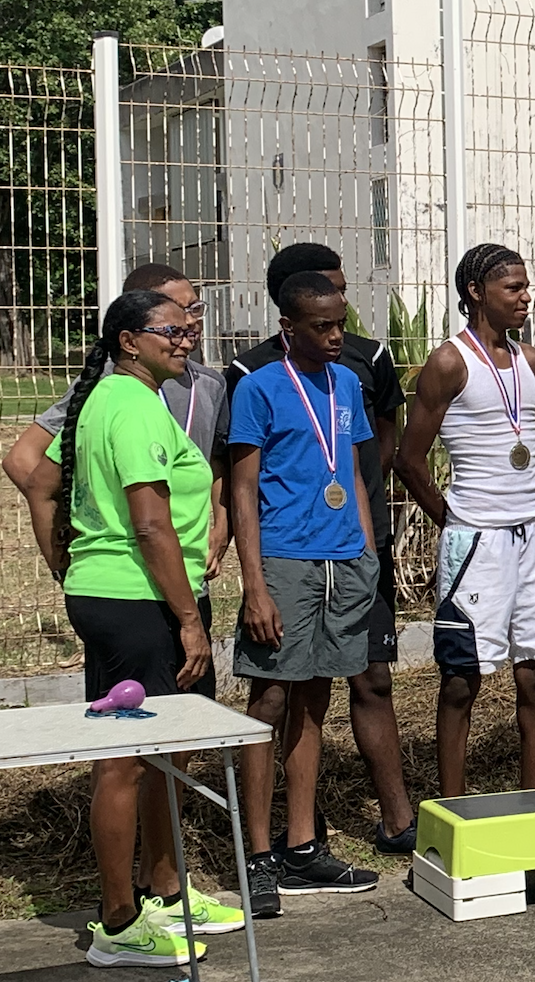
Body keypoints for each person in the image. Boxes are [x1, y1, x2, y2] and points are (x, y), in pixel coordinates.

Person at [22, 291, 238, 968]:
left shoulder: (111, 402)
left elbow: (55, 481)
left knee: (163, 752)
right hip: (138, 604)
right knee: (123, 760)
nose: (186, 339)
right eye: (171, 330)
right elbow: (148, 523)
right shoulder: (130, 404)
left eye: (189, 329)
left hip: (127, 597)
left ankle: (164, 891)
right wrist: (187, 621)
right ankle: (118, 924)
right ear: (128, 341)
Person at [225, 243, 414, 854]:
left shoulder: (345, 384)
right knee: (271, 696)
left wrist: (365, 550)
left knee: (315, 696)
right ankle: (257, 849)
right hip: (284, 560)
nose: (336, 337)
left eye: (341, 324)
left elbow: (357, 474)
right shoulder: (259, 387)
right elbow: (243, 488)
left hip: (345, 560)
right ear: (288, 325)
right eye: (322, 327)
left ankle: (302, 842)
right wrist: (254, 583)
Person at [396, 244, 535, 797]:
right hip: (477, 540)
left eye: (526, 286)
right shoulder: (449, 362)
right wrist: (453, 520)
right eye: (512, 288)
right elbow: (409, 458)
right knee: (461, 681)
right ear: (476, 292)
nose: (526, 296)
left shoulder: (531, 360)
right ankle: (452, 808)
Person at [6, 264, 230, 586]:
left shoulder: (211, 385)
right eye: (177, 313)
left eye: (195, 307)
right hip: (124, 574)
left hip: (186, 571)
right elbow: (22, 458)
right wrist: (84, 519)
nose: (190, 321)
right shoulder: (108, 381)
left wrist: (220, 528)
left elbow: (214, 459)